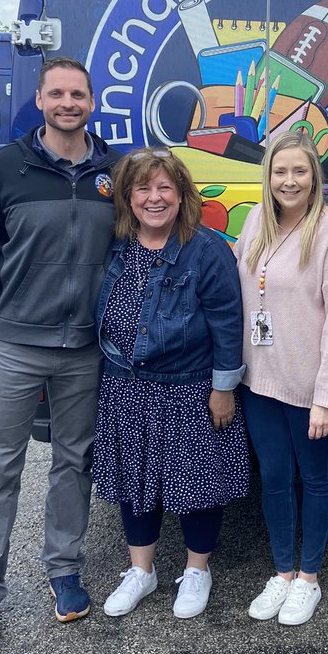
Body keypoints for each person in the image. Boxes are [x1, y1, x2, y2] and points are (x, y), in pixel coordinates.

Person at [0, 57, 121, 649]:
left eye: (78, 93)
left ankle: (65, 571)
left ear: (92, 101)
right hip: (14, 344)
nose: (67, 102)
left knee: (73, 463)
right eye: (57, 93)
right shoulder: (7, 165)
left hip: (85, 348)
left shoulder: (114, 170)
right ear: (40, 99)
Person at [94, 148, 248, 621]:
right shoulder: (116, 245)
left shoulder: (207, 249)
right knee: (134, 481)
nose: (154, 197)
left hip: (189, 389)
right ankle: (142, 571)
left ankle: (197, 570)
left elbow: (228, 323)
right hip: (126, 386)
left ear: (182, 196)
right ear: (128, 197)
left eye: (165, 188)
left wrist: (224, 388)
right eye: (143, 188)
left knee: (196, 485)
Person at [234, 129, 328, 626]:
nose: (289, 181)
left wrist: (327, 398)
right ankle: (282, 572)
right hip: (260, 381)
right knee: (273, 478)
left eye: (299, 171)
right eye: (279, 171)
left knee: (314, 479)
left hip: (309, 386)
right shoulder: (255, 223)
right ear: (267, 177)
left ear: (315, 177)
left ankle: (309, 578)